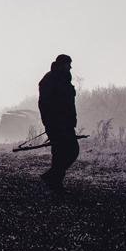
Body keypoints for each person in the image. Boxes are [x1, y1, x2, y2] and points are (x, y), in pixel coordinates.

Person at [38, 54, 79, 194]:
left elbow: (69, 103)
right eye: (68, 64)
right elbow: (44, 104)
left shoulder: (64, 79)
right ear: (62, 64)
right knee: (62, 152)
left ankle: (52, 177)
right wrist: (49, 122)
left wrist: (72, 120)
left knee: (71, 151)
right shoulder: (49, 79)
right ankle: (55, 182)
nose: (70, 67)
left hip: (66, 123)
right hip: (56, 123)